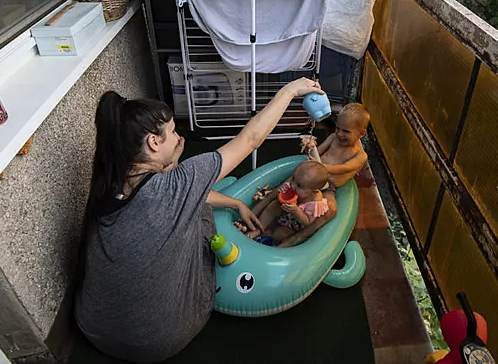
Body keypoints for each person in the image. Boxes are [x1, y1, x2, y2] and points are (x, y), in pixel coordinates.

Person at [74, 78, 323, 363]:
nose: (177, 136)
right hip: (155, 343)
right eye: (171, 132)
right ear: (154, 143)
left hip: (92, 326)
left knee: (189, 206)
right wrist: (290, 91)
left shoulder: (110, 179)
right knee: (200, 213)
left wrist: (235, 202)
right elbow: (251, 139)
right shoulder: (176, 185)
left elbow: (171, 201)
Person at [280, 103, 370, 248]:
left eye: (346, 131)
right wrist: (311, 147)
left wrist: (321, 167)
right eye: (337, 128)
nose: (339, 134)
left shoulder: (360, 156)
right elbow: (318, 151)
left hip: (328, 186)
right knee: (285, 186)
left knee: (332, 210)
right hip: (313, 176)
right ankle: (261, 208)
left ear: (361, 133)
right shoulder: (334, 138)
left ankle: (296, 239)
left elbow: (343, 168)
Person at [239, 161, 330, 243]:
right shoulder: (293, 185)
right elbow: (283, 195)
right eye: (293, 178)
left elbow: (307, 222)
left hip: (294, 224)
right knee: (273, 205)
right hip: (285, 212)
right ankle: (259, 228)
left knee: (280, 234)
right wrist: (283, 192)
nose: (292, 185)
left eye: (299, 185)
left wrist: (296, 211)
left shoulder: (315, 203)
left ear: (313, 191)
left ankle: (268, 234)